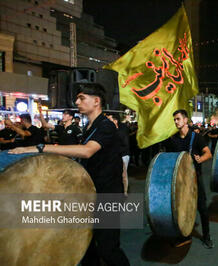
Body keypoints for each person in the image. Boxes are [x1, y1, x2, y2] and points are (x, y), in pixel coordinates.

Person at [9, 83, 129, 265]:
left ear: (96, 101)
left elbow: (87, 151)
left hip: (108, 194)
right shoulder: (89, 127)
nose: (76, 102)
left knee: (108, 248)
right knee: (86, 248)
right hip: (90, 192)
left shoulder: (105, 125)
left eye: (82, 98)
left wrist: (40, 147)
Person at [163, 109, 214, 249]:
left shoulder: (196, 137)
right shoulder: (173, 139)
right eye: (174, 120)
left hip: (195, 179)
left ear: (185, 120)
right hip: (180, 182)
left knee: (202, 208)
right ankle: (183, 235)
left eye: (178, 119)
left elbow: (208, 154)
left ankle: (207, 236)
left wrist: (200, 159)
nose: (175, 122)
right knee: (181, 209)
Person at [107, 113, 130, 196]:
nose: (108, 122)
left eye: (110, 120)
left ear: (115, 121)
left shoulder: (122, 131)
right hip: (114, 156)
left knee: (123, 174)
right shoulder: (110, 131)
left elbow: (125, 145)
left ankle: (125, 191)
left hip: (123, 155)